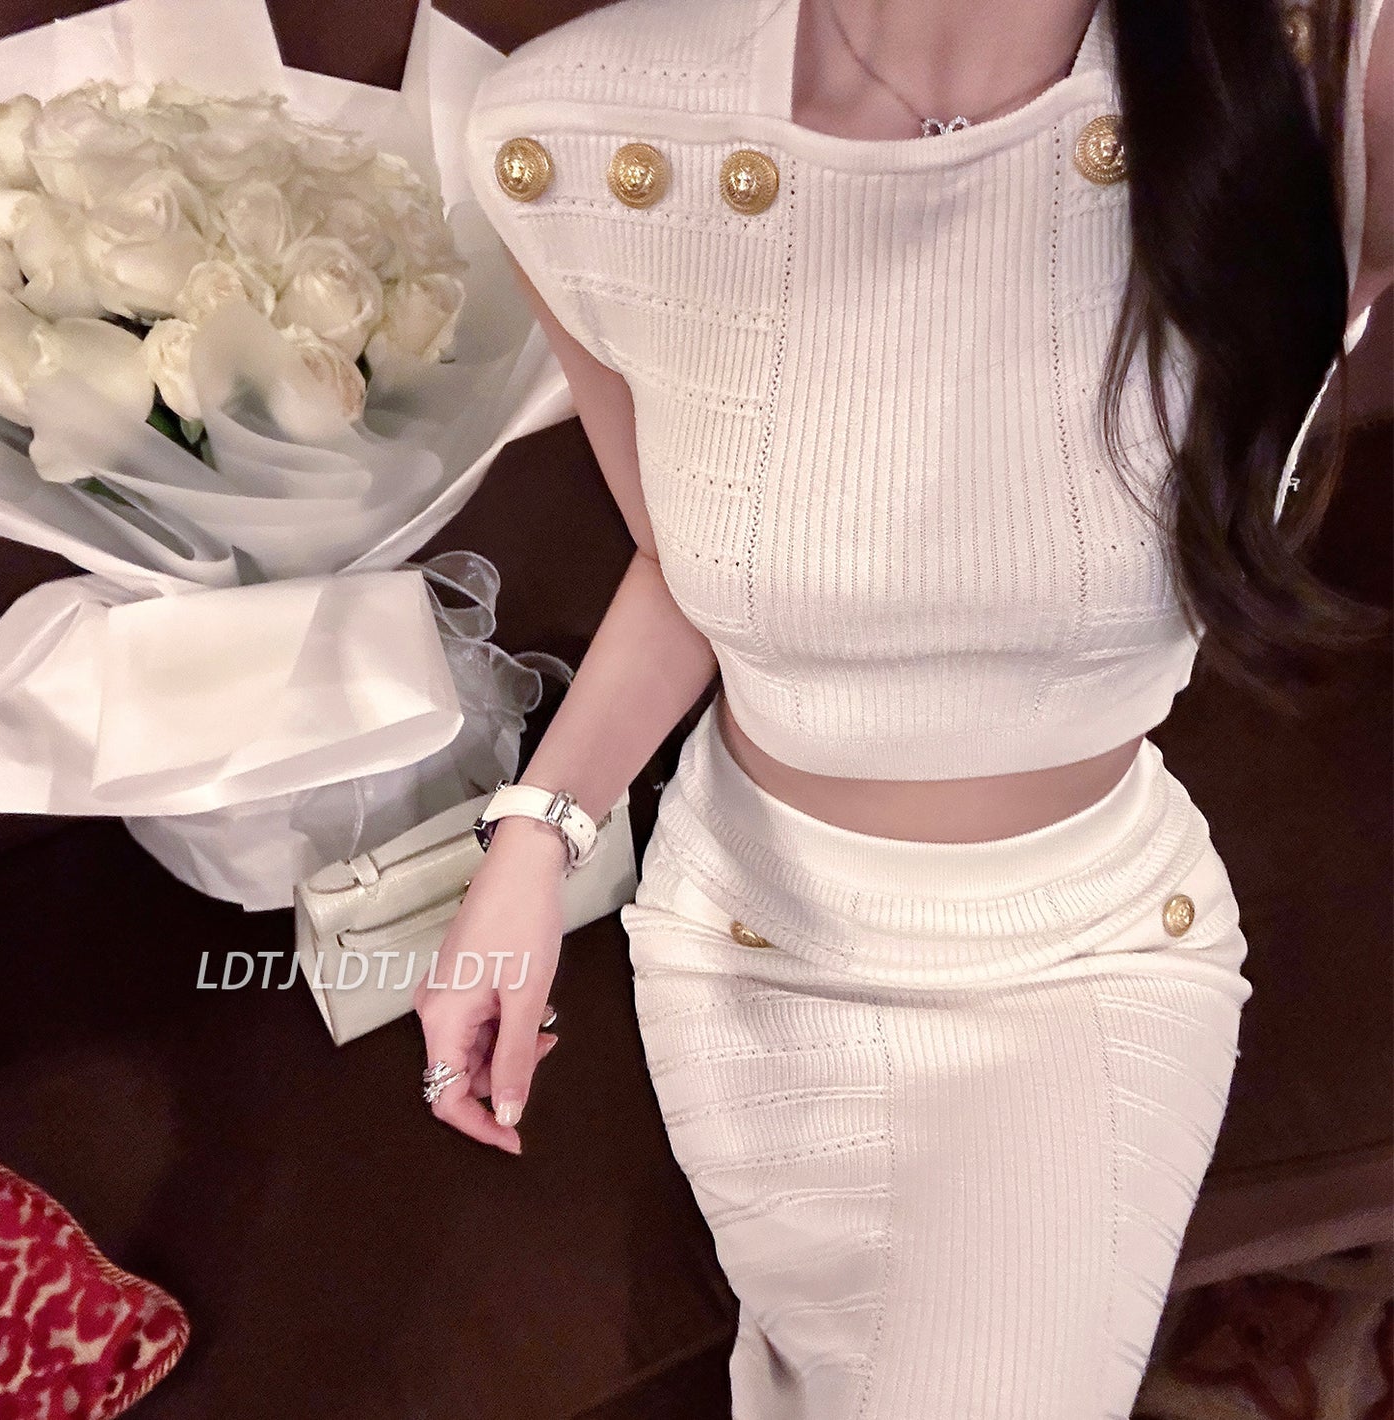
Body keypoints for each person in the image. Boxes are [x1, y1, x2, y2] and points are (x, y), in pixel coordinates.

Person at [416, 0, 1392, 1413]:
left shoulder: (1324, 81)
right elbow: (687, 567)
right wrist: (531, 842)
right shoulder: (578, 136)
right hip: (755, 941)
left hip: (1082, 951)